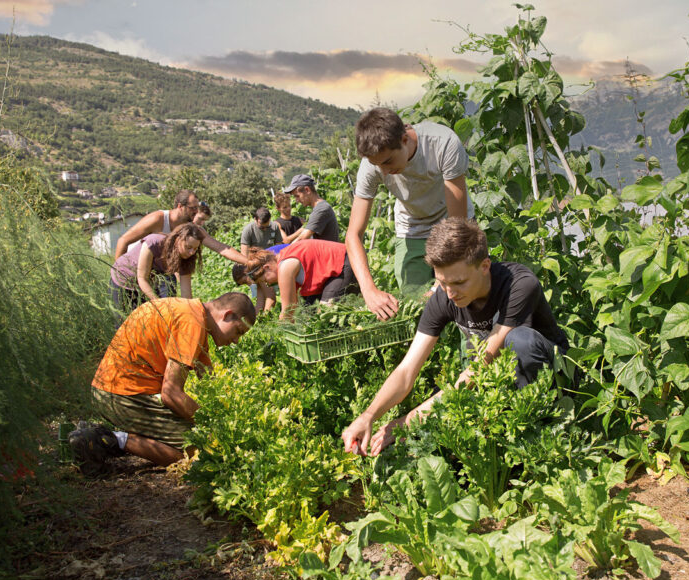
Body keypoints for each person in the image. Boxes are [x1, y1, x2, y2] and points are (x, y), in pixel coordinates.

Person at [340, 218, 569, 457]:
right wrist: (368, 415)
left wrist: (408, 421)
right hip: (496, 380)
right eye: (442, 282)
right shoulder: (444, 296)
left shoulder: (519, 285)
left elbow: (481, 366)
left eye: (459, 282)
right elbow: (407, 370)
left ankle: (546, 435)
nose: (450, 293)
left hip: (554, 378)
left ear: (484, 266)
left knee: (520, 341)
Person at [68, 292, 255, 474]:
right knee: (200, 452)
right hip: (121, 395)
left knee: (204, 438)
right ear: (227, 315)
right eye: (238, 331)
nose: (236, 341)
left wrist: (232, 414)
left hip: (111, 389)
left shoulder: (192, 312)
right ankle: (105, 439)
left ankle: (107, 438)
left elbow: (209, 379)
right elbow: (171, 394)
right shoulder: (192, 323)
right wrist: (213, 424)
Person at [346, 108, 474, 320]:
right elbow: (353, 234)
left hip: (453, 225)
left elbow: (457, 226)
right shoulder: (371, 166)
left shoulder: (442, 143)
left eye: (388, 161)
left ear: (404, 139)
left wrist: (440, 283)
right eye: (377, 165)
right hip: (412, 228)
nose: (384, 172)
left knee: (464, 301)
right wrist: (369, 290)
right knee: (416, 309)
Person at [113, 189, 246, 266]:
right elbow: (123, 241)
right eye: (192, 208)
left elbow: (221, 248)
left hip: (156, 272)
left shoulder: (190, 229)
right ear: (180, 206)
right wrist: (117, 272)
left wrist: (248, 261)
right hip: (131, 267)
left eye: (197, 208)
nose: (196, 212)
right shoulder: (157, 219)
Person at [244, 238, 357, 320]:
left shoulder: (285, 266)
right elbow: (295, 305)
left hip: (343, 263)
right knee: (311, 315)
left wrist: (280, 334)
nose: (268, 284)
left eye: (265, 280)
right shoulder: (282, 258)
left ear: (267, 267)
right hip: (336, 269)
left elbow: (288, 309)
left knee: (324, 317)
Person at [109, 223, 205, 314]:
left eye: (195, 249)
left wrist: (191, 313)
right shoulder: (154, 242)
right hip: (123, 278)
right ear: (178, 239)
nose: (191, 252)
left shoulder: (187, 259)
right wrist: (159, 304)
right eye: (188, 247)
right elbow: (142, 278)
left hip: (146, 284)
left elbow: (186, 296)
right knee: (125, 319)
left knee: (148, 319)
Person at [283, 174, 339, 242]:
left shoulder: (321, 209)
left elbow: (301, 239)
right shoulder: (318, 208)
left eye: (297, 196)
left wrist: (287, 249)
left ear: (307, 190)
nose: (297, 201)